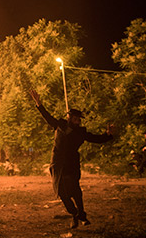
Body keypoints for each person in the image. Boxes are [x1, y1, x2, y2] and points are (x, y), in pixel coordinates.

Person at [29, 90, 114, 229]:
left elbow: (96, 139)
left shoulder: (81, 132)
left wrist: (107, 134)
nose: (78, 121)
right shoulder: (60, 125)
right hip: (58, 164)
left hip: (72, 164)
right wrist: (39, 104)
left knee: (75, 192)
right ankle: (75, 214)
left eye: (79, 119)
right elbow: (48, 117)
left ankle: (81, 214)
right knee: (62, 193)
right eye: (75, 119)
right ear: (69, 118)